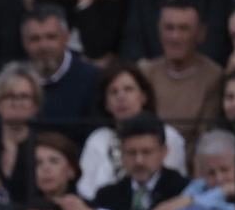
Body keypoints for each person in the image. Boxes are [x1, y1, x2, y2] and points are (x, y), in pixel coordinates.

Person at [77, 61, 187, 198]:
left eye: (128, 89)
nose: (121, 97)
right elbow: (85, 190)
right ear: (105, 103)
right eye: (113, 92)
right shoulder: (97, 139)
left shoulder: (169, 136)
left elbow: (173, 188)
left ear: (143, 96)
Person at [139, 0, 225, 147]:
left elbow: (206, 137)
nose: (175, 37)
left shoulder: (214, 76)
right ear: (159, 31)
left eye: (184, 29)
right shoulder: (145, 72)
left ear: (201, 33)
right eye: (169, 28)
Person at [90, 112, 189, 210]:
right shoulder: (107, 196)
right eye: (131, 153)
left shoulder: (182, 191)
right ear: (122, 154)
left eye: (146, 152)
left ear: (163, 152)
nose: (139, 161)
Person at [22, 4, 103, 140]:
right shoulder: (13, 81)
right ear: (24, 43)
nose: (43, 46)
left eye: (51, 37)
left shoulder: (93, 78)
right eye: (35, 39)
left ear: (66, 38)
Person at [150, 129, 235, 210]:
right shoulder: (199, 185)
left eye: (225, 170)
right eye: (210, 173)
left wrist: (192, 202)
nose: (219, 178)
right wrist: (222, 192)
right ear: (202, 172)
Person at [0, 62, 45, 200]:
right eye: (9, 96)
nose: (17, 103)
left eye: (24, 97)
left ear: (35, 105)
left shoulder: (44, 146)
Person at [31, 131, 114, 210]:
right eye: (38, 163)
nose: (46, 169)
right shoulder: (22, 208)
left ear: (71, 170)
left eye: (54, 161)